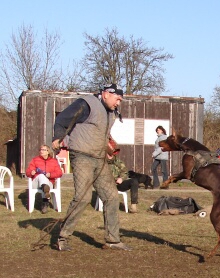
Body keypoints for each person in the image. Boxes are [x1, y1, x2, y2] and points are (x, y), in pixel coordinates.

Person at [51, 83, 131, 251]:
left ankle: (113, 240)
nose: (118, 103)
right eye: (117, 99)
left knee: (111, 196)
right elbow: (62, 120)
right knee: (83, 197)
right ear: (106, 94)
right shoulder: (86, 104)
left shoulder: (110, 111)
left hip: (99, 158)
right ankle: (63, 238)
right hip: (82, 156)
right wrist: (57, 137)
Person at [25, 145, 63, 214]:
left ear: (48, 152)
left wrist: (50, 175)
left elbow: (59, 173)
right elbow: (27, 172)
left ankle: (45, 203)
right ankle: (46, 200)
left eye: (43, 150)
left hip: (49, 182)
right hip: (36, 183)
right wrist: (31, 173)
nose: (41, 151)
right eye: (40, 150)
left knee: (45, 185)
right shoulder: (35, 160)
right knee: (41, 176)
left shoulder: (53, 161)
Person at [106, 144, 139, 214]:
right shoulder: (101, 162)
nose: (110, 156)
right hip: (106, 184)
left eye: (112, 153)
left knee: (134, 181)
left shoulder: (117, 161)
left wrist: (121, 178)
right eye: (109, 154)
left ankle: (133, 205)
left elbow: (125, 172)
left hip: (118, 184)